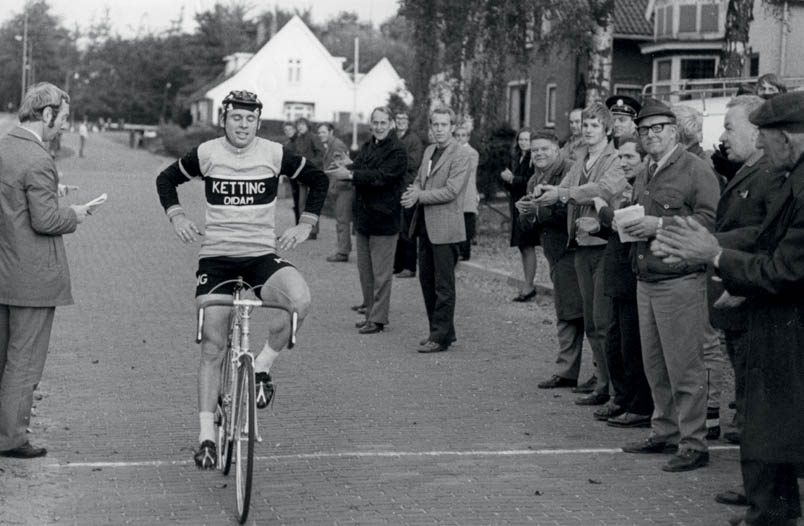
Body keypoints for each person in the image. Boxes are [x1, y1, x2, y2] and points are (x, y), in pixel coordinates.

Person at [652, 91, 804, 526]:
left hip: (789, 326)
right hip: (777, 319)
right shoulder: (794, 176)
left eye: (764, 135)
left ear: (785, 138)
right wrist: (708, 246)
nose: (759, 144)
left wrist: (715, 256)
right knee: (768, 423)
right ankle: (772, 512)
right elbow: (762, 236)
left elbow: (783, 266)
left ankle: (773, 514)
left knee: (774, 422)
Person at [155, 90, 328, 469]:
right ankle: (206, 437)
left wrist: (306, 224)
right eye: (236, 118)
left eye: (250, 119)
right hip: (216, 260)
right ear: (225, 119)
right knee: (213, 346)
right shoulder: (207, 153)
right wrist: (178, 217)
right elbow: (165, 180)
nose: (244, 125)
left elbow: (318, 180)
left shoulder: (273, 153)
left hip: (260, 258)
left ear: (257, 121)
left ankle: (262, 368)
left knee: (300, 300)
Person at [618, 98, 720, 472]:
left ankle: (694, 443)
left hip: (681, 280)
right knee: (656, 365)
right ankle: (665, 432)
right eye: (644, 130)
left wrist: (658, 226)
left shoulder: (696, 169)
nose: (649, 136)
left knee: (685, 367)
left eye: (657, 129)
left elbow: (710, 222)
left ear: (674, 131)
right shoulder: (647, 171)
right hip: (648, 278)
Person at [0, 82, 91, 459]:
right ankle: (11, 438)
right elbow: (45, 220)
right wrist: (76, 214)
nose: (65, 127)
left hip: (4, 271)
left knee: (3, 356)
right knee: (24, 361)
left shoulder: (5, 147)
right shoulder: (38, 159)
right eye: (63, 119)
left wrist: (55, 190)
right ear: (47, 114)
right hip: (31, 277)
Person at [706, 95, 786, 508]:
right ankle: (758, 486)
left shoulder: (771, 177)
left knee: (757, 402)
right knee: (748, 395)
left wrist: (712, 248)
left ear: (757, 132)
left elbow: (764, 239)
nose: (723, 136)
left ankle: (764, 491)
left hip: (752, 297)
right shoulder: (749, 171)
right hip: (738, 295)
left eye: (729, 127)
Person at [533, 102, 626, 408]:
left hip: (603, 245)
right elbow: (565, 187)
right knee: (590, 321)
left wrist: (562, 194)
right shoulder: (580, 159)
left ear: (608, 130)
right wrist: (542, 193)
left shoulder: (615, 159)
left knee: (602, 320)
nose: (588, 130)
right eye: (585, 125)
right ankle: (602, 383)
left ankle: (614, 388)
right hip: (580, 245)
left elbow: (602, 189)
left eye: (595, 125)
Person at [587, 137, 654, 427]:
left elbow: (628, 225)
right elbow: (617, 231)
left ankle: (639, 404)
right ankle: (624, 398)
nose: (623, 162)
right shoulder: (626, 188)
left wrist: (602, 210)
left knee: (632, 344)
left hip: (630, 274)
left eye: (629, 157)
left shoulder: (642, 188)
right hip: (618, 271)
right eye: (621, 157)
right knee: (615, 339)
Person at [673, 103, 727, 440]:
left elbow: (709, 216)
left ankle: (711, 411)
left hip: (702, 261)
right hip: (691, 260)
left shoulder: (698, 166)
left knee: (706, 341)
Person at [328, 107, 407, 334]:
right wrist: (348, 163)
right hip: (364, 218)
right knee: (366, 272)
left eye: (383, 122)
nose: (379, 127)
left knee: (381, 274)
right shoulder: (369, 144)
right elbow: (361, 167)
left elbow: (382, 177)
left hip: (384, 219)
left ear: (391, 123)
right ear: (371, 123)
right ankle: (371, 313)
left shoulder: (397, 151)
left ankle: (379, 319)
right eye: (376, 122)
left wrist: (350, 174)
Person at [518, 131, 584, 391]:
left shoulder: (569, 171)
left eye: (545, 149)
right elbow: (531, 224)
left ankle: (583, 372)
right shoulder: (535, 178)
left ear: (557, 149)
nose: (539, 154)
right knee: (566, 310)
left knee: (578, 313)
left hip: (572, 251)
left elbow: (570, 212)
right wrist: (526, 213)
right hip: (554, 253)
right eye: (535, 150)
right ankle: (567, 369)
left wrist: (537, 210)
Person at [401, 106, 471, 353]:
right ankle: (440, 331)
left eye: (444, 125)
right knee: (427, 280)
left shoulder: (461, 155)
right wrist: (413, 192)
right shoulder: (430, 150)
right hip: (424, 226)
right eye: (435, 124)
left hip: (446, 228)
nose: (439, 129)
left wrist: (420, 195)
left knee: (443, 285)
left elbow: (452, 191)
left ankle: (439, 337)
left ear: (452, 127)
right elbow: (421, 179)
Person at [501, 128, 540, 302]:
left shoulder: (534, 159)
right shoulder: (518, 158)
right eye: (521, 139)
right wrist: (507, 180)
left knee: (528, 244)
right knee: (521, 245)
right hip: (516, 204)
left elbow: (531, 183)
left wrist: (512, 179)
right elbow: (512, 185)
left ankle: (529, 284)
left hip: (526, 204)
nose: (524, 142)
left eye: (527, 139)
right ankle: (527, 283)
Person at [393, 111, 424, 278]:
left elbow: (413, 162)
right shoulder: (393, 137)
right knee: (397, 227)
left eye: (404, 118)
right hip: (395, 188)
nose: (401, 121)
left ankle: (409, 266)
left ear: (408, 121)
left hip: (407, 186)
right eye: (398, 119)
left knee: (408, 228)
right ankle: (397, 265)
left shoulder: (413, 140)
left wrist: (394, 164)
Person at [318, 123, 351, 263]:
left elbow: (338, 168)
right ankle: (342, 249)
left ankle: (343, 252)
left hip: (342, 188)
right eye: (319, 132)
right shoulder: (332, 145)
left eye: (323, 132)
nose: (320, 135)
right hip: (339, 187)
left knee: (342, 221)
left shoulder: (336, 145)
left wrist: (332, 187)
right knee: (340, 220)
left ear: (331, 132)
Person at [289, 117, 324, 239]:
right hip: (301, 175)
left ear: (307, 125)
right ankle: (303, 229)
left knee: (312, 203)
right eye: (298, 124)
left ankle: (313, 231)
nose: (300, 127)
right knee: (301, 203)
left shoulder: (313, 137)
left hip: (312, 174)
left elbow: (321, 153)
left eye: (302, 124)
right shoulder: (298, 139)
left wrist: (308, 163)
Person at [455, 126, 479, 261]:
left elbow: (467, 171)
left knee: (466, 221)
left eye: (463, 135)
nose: (460, 138)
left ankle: (465, 251)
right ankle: (458, 249)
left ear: (468, 137)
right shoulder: (453, 151)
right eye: (457, 135)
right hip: (456, 191)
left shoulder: (472, 152)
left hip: (467, 191)